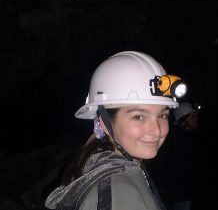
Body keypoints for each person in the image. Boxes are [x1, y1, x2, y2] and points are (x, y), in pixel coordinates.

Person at [45, 50, 187, 210]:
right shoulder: (120, 190)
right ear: (104, 122)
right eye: (138, 117)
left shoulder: (99, 166)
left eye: (163, 115)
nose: (156, 131)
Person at [146, 101, 201, 210]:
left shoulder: (192, 137)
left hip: (188, 191)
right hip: (179, 194)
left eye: (196, 116)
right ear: (183, 120)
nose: (196, 119)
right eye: (192, 117)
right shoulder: (174, 140)